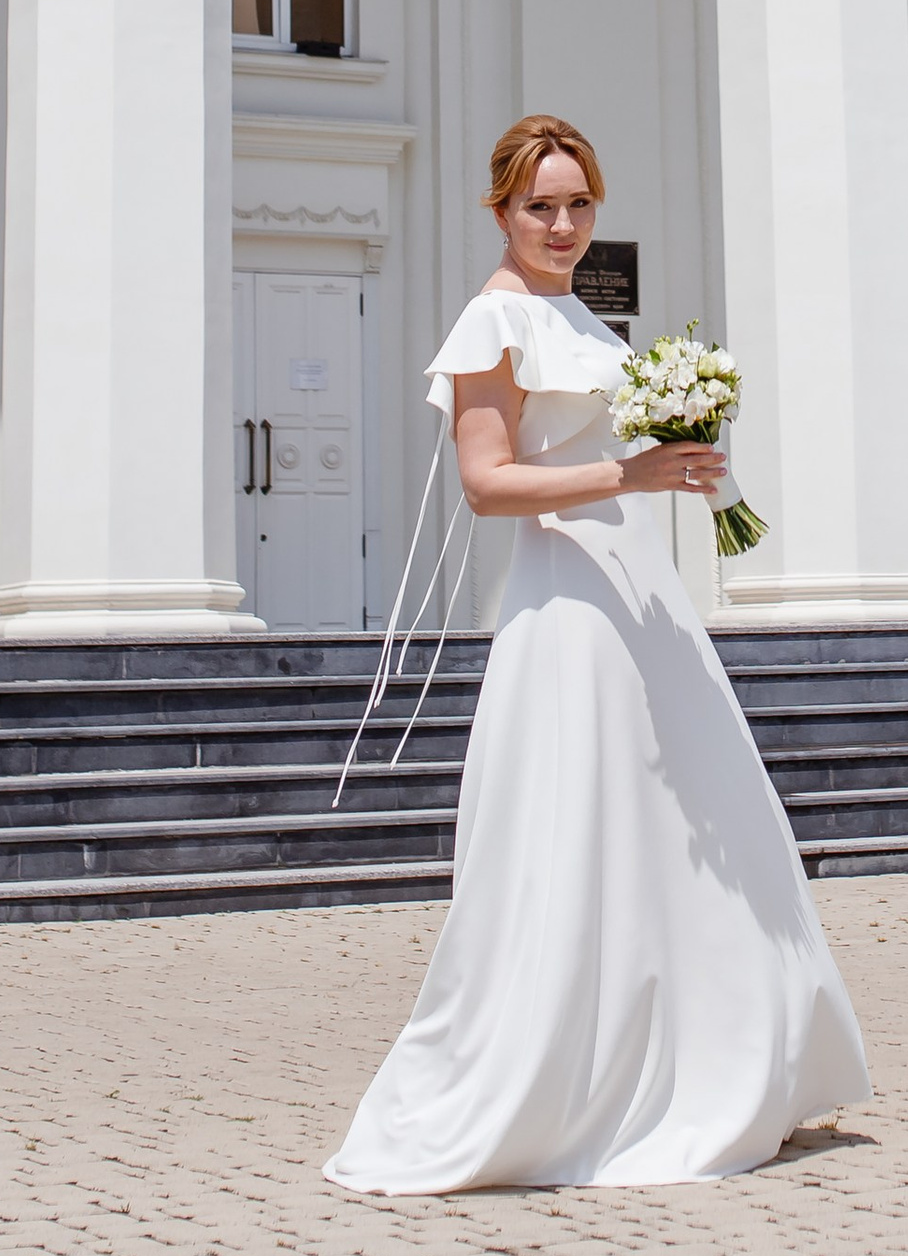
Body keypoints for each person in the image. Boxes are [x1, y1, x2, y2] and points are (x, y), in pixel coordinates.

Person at [325, 113, 872, 1191]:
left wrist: (677, 462)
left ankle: (713, 1061)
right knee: (581, 825)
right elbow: (486, 485)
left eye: (578, 203)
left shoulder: (578, 309)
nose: (562, 223)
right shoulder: (492, 322)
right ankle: (563, 1083)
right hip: (566, 598)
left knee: (695, 817)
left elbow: (608, 450)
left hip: (639, 590)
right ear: (501, 209)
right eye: (541, 205)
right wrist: (628, 477)